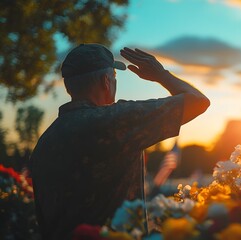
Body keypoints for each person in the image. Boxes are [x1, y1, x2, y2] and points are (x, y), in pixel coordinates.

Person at [30, 43, 210, 239]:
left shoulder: (46, 141)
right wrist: (161, 75)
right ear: (106, 81)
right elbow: (198, 101)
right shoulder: (113, 121)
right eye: (114, 78)